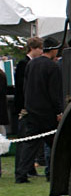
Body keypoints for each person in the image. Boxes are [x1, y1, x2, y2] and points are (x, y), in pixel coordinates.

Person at [15, 37, 62, 183]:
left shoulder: (31, 64)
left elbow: (25, 87)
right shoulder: (53, 67)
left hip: (32, 109)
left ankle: (21, 174)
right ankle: (53, 173)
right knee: (54, 145)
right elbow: (54, 92)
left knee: (30, 144)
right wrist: (59, 111)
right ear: (53, 50)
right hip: (47, 112)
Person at [12, 38, 43, 182]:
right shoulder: (24, 64)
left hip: (30, 108)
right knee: (24, 140)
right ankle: (21, 169)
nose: (42, 51)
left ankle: (29, 168)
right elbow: (21, 89)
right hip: (24, 108)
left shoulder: (30, 64)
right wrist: (23, 107)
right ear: (33, 48)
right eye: (40, 48)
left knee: (31, 140)